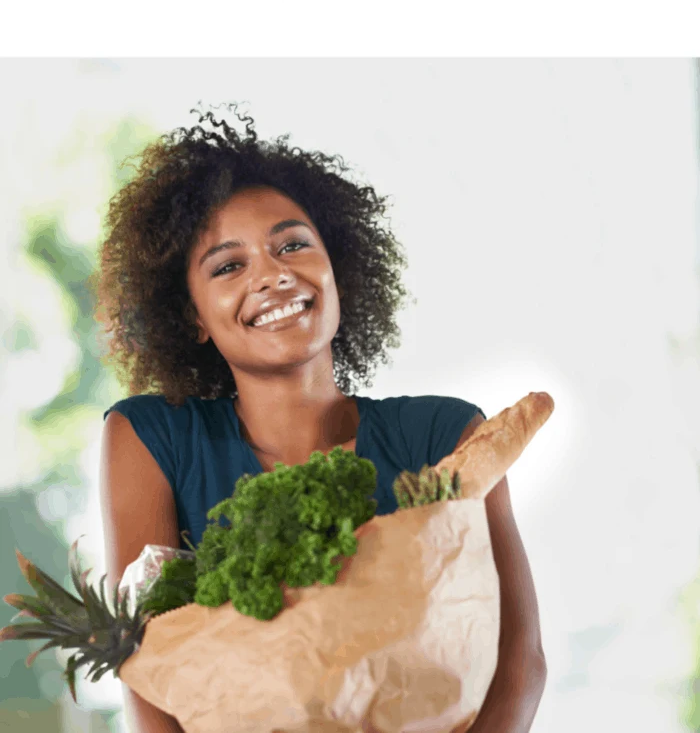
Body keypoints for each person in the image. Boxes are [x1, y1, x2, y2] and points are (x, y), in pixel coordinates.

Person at [98, 106, 546, 733]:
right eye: (229, 266)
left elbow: (519, 659)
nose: (273, 274)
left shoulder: (446, 436)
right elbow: (146, 674)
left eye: (292, 245)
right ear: (192, 317)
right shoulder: (152, 438)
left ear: (336, 266)